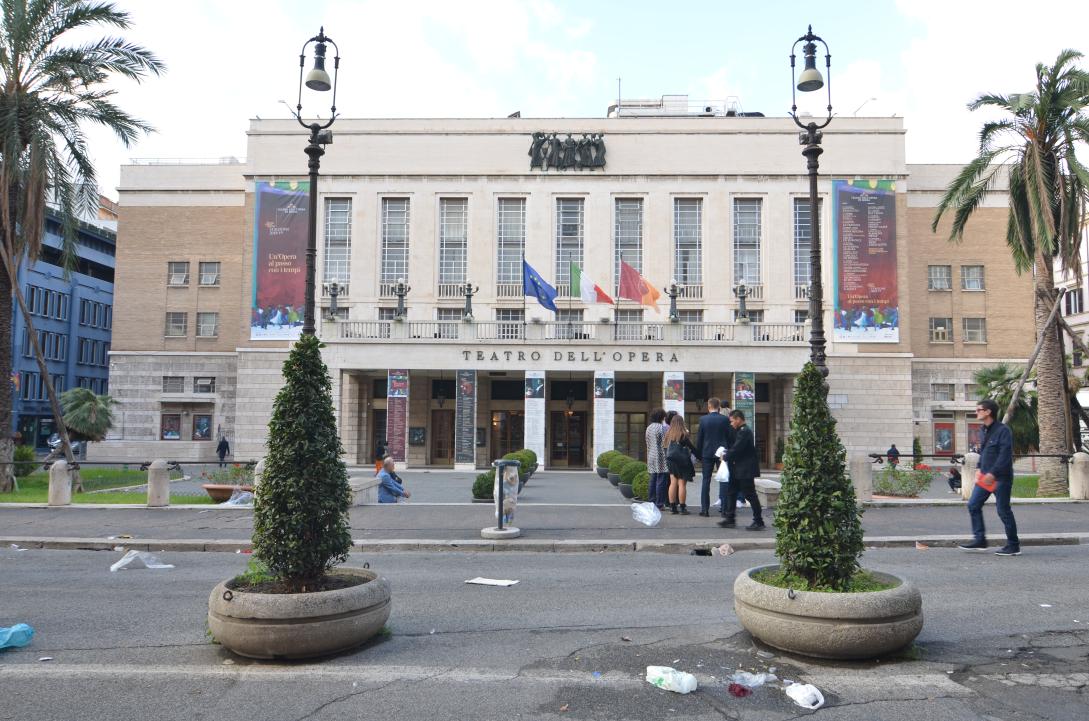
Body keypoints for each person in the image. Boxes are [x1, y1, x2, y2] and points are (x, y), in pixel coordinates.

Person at [960, 399, 1020, 555]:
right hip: (985, 477)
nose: (976, 412)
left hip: (1001, 478)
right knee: (973, 505)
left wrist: (993, 473)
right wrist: (979, 469)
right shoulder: (983, 430)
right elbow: (984, 452)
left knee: (1003, 510)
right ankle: (980, 540)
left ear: (988, 412)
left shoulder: (1003, 431)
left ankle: (1013, 545)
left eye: (979, 409)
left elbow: (1005, 455)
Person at [718, 410, 765, 531]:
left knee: (750, 494)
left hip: (745, 469)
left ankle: (758, 521)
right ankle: (730, 519)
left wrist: (726, 456)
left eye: (732, 421)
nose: (731, 423)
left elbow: (737, 448)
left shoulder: (744, 431)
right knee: (731, 492)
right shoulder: (740, 431)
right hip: (738, 468)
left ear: (738, 419)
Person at [694, 398, 735, 518]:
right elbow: (730, 437)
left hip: (707, 453)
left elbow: (700, 439)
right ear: (719, 407)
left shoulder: (703, 419)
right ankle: (724, 509)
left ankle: (705, 509)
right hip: (722, 453)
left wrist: (698, 454)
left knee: (706, 480)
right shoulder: (725, 419)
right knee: (724, 479)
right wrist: (730, 452)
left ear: (709, 406)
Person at [663, 415, 696, 515]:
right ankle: (682, 508)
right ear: (681, 423)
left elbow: (665, 448)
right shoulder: (684, 434)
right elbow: (692, 448)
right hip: (682, 461)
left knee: (672, 483)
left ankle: (673, 507)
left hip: (671, 461)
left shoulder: (668, 434)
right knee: (682, 484)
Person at [644, 409, 669, 509]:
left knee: (653, 479)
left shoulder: (649, 428)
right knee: (661, 480)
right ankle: (659, 503)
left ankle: (651, 501)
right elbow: (665, 443)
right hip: (661, 456)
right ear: (661, 417)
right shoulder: (661, 428)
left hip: (651, 455)